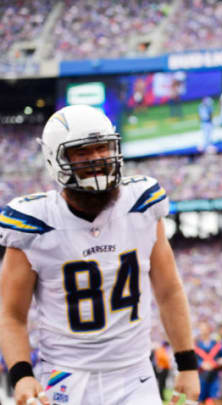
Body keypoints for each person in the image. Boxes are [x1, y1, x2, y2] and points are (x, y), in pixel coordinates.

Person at [0, 105, 200, 405]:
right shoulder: (34, 223)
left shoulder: (141, 205)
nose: (97, 159)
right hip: (64, 376)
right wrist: (21, 373)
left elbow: (169, 290)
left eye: (102, 148)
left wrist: (187, 363)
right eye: (82, 152)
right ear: (57, 159)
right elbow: (11, 313)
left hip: (135, 375)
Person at [195, 322, 222, 404]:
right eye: (201, 329)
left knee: (217, 399)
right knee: (200, 400)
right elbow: (193, 360)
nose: (203, 331)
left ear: (209, 330)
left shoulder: (216, 344)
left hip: (215, 376)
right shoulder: (196, 345)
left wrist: (221, 361)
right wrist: (201, 364)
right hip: (201, 377)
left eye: (205, 329)